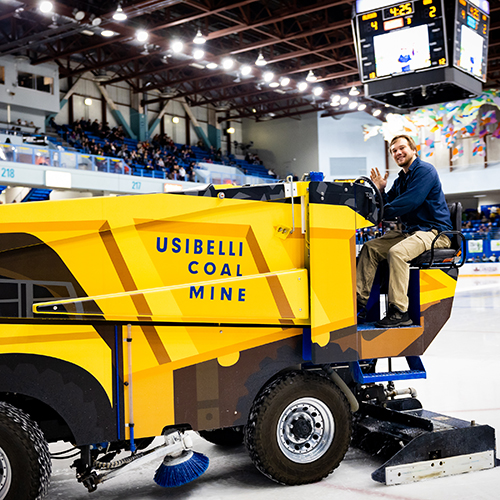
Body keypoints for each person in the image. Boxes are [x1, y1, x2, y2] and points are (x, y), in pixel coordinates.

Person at [356, 134, 452, 328]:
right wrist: (380, 191)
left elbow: (410, 201)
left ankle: (400, 311)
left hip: (435, 233)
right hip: (411, 232)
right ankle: (359, 304)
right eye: (394, 151)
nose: (398, 153)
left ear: (413, 149)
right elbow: (388, 201)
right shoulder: (401, 179)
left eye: (401, 148)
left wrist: (379, 213)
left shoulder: (425, 171)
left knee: (397, 253)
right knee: (370, 248)